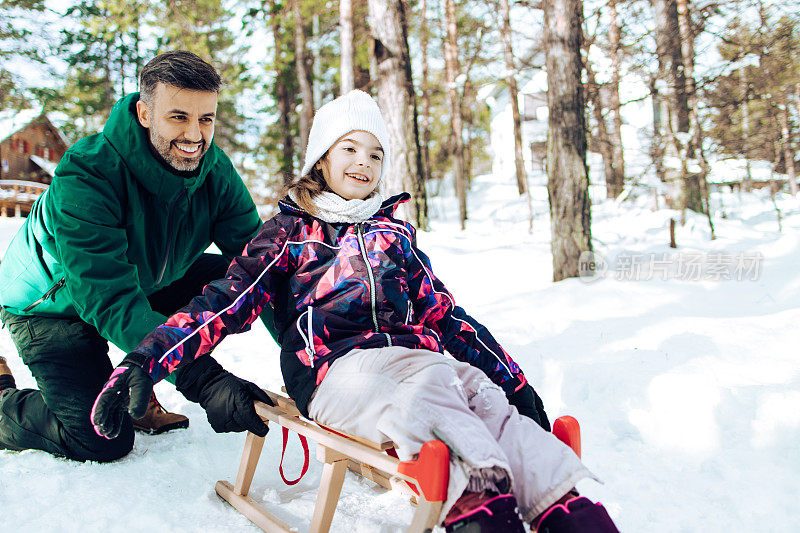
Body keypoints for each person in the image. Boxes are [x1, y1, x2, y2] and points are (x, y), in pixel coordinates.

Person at [91, 90, 618, 532]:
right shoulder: (288, 235)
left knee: (480, 392)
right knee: (432, 387)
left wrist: (517, 386)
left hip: (418, 365)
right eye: (349, 148)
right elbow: (222, 301)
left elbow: (449, 319)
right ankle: (480, 503)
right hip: (334, 375)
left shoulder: (396, 238)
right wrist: (145, 361)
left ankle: (566, 507)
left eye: (374, 154)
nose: (363, 163)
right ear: (322, 156)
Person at [0, 50, 272, 462]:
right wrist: (203, 379)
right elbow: (108, 299)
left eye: (206, 119)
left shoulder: (215, 173)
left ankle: (137, 380)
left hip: (144, 282)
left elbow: (261, 266)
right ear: (145, 113)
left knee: (238, 280)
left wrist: (315, 359)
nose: (195, 136)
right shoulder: (87, 173)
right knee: (99, 439)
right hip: (55, 307)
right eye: (178, 117)